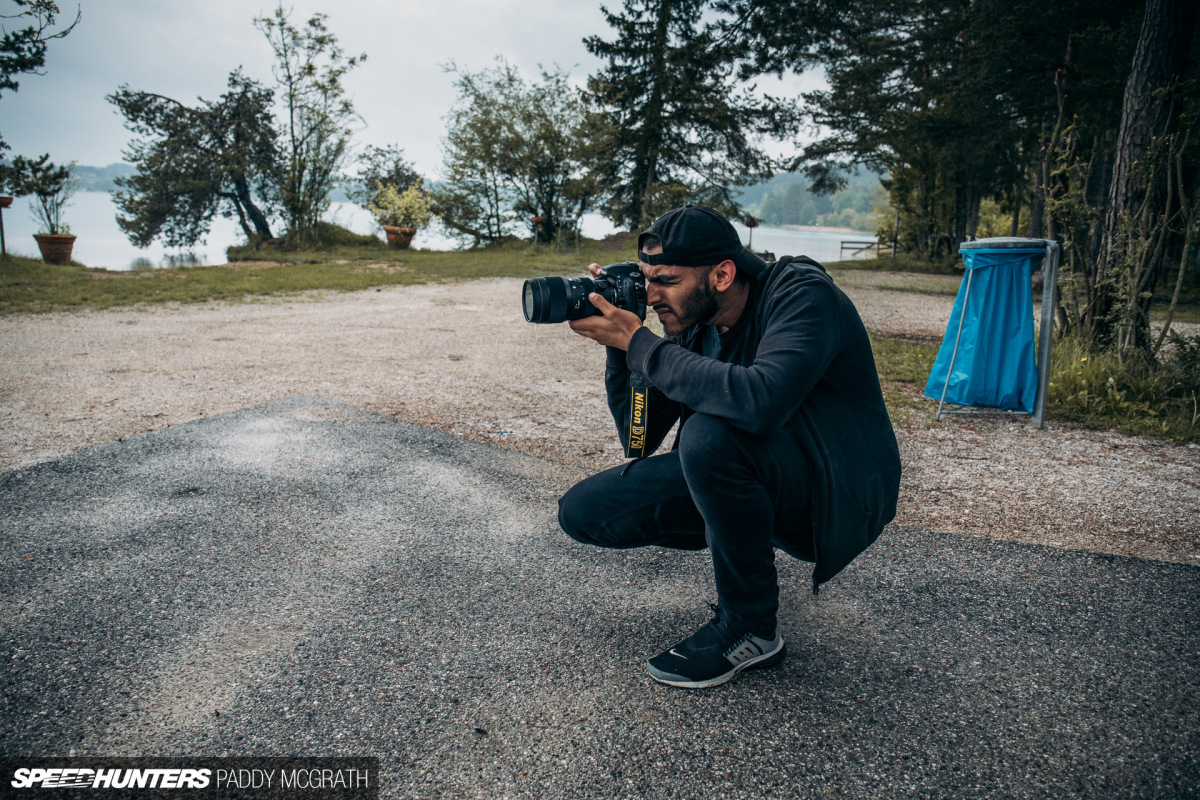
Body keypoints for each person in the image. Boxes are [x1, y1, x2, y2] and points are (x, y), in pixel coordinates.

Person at [558, 204, 901, 689]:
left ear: (722, 274)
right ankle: (740, 533)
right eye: (647, 280)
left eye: (666, 281)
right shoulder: (695, 323)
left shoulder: (801, 293)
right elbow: (641, 436)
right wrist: (622, 346)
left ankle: (751, 628)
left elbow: (761, 401)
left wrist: (641, 345)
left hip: (837, 498)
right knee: (585, 510)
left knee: (709, 436)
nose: (653, 295)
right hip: (753, 475)